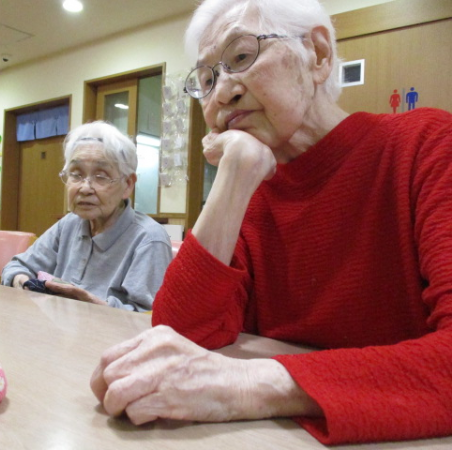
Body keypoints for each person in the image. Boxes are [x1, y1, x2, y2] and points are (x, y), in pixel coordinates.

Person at [90, 0, 452, 445]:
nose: (221, 93)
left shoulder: (428, 146)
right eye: (207, 81)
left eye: (241, 56)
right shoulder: (251, 191)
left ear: (318, 55)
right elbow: (181, 335)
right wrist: (235, 175)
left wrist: (246, 384)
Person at [1, 121, 172, 311]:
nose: (85, 188)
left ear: (128, 184)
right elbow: (16, 267)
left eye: (101, 176)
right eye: (76, 174)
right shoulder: (69, 224)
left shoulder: (149, 239)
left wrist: (91, 305)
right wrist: (24, 283)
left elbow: (150, 317)